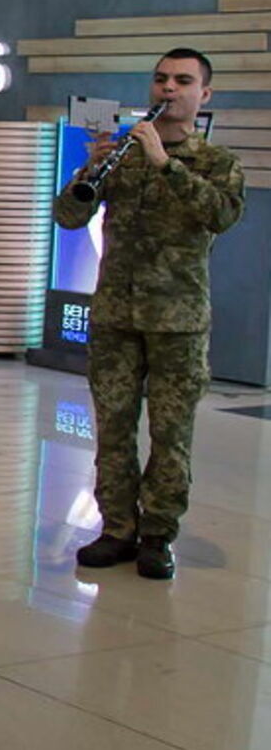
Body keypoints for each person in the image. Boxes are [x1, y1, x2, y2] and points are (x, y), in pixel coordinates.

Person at [57, 48, 244, 581]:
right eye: (161, 79)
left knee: (170, 435)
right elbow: (68, 217)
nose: (168, 89)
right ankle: (117, 527)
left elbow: (222, 214)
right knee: (113, 430)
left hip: (177, 322)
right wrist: (89, 170)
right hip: (116, 315)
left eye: (182, 81)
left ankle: (158, 534)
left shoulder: (217, 162)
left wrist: (166, 164)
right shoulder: (125, 153)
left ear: (204, 94)